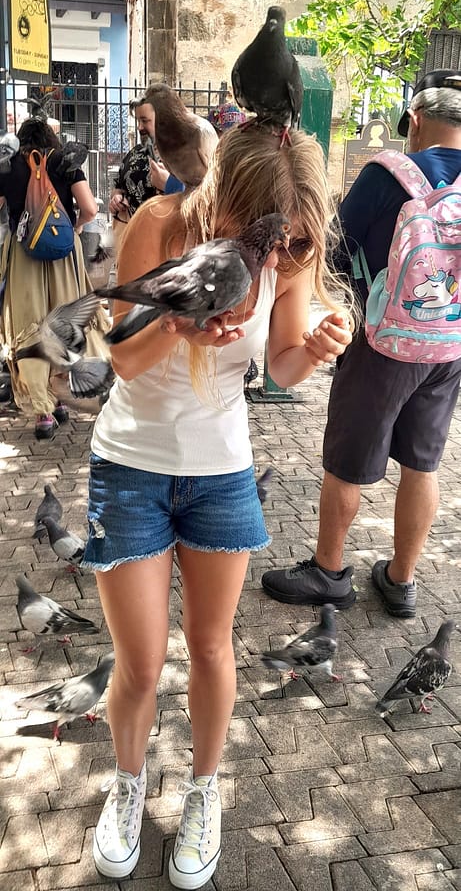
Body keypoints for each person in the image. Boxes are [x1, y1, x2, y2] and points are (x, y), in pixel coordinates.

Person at [82, 124, 352, 888]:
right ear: (222, 198)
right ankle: (128, 783)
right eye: (263, 230)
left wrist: (316, 349)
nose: (276, 253)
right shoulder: (161, 223)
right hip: (130, 467)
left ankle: (203, 791)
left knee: (209, 648)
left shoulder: (286, 254)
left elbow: (281, 368)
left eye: (290, 238)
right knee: (139, 662)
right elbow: (122, 359)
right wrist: (181, 328)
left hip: (221, 474)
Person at [261, 69, 461, 620]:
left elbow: (334, 248)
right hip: (447, 347)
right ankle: (401, 580)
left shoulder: (388, 173)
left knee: (347, 461)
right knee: (423, 464)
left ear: (415, 121)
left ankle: (328, 573)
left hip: (382, 343)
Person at [0, 116, 109, 439]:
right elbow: (90, 209)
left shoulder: (8, 165)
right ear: (51, 139)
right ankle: (61, 397)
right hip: (64, 254)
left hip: (23, 254)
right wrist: (75, 228)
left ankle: (42, 413)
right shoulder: (64, 161)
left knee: (30, 325)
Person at [109, 97, 184, 239]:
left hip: (165, 242)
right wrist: (116, 198)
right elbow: (118, 186)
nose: (139, 127)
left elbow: (195, 201)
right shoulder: (135, 153)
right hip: (131, 239)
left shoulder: (182, 157)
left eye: (144, 121)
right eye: (138, 121)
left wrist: (168, 184)